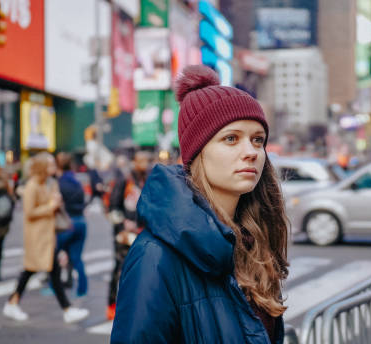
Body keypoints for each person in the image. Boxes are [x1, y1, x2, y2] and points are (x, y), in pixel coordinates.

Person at [110, 65, 289, 343]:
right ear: (198, 153)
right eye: (231, 139)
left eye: (258, 140)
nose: (251, 152)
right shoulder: (154, 256)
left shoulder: (256, 242)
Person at [2, 153, 89, 323]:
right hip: (37, 235)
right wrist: (50, 206)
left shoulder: (51, 183)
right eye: (49, 165)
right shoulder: (33, 185)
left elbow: (54, 206)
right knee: (34, 270)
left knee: (45, 271)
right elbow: (29, 212)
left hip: (49, 235)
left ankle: (65, 309)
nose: (53, 168)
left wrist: (56, 202)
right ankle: (65, 309)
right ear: (42, 167)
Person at [105, 150, 150, 320]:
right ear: (134, 162)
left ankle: (136, 305)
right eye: (141, 160)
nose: (144, 164)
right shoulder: (125, 180)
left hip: (142, 232)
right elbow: (113, 206)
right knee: (119, 269)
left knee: (140, 270)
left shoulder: (147, 179)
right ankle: (111, 304)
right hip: (124, 233)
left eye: (146, 160)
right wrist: (120, 229)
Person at [55, 152, 88, 297]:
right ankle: (82, 289)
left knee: (53, 255)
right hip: (81, 221)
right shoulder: (77, 181)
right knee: (76, 258)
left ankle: (54, 287)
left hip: (67, 223)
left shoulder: (59, 183)